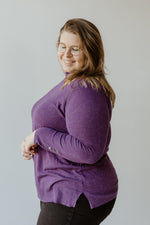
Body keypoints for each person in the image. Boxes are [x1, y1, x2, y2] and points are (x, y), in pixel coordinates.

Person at [21, 18, 118, 225]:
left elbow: (88, 151)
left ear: (90, 52)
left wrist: (39, 136)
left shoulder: (85, 90)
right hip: (64, 189)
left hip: (76, 193)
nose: (66, 55)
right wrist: (34, 142)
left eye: (75, 49)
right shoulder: (73, 81)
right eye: (62, 46)